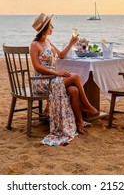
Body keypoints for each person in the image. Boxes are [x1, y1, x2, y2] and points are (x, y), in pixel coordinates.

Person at [30, 13, 99, 145]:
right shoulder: (35, 44)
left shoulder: (48, 42)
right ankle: (87, 106)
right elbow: (37, 67)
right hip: (41, 82)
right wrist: (55, 73)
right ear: (45, 28)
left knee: (73, 90)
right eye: (51, 25)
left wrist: (71, 43)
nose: (53, 27)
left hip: (52, 78)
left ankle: (79, 122)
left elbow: (61, 55)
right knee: (76, 77)